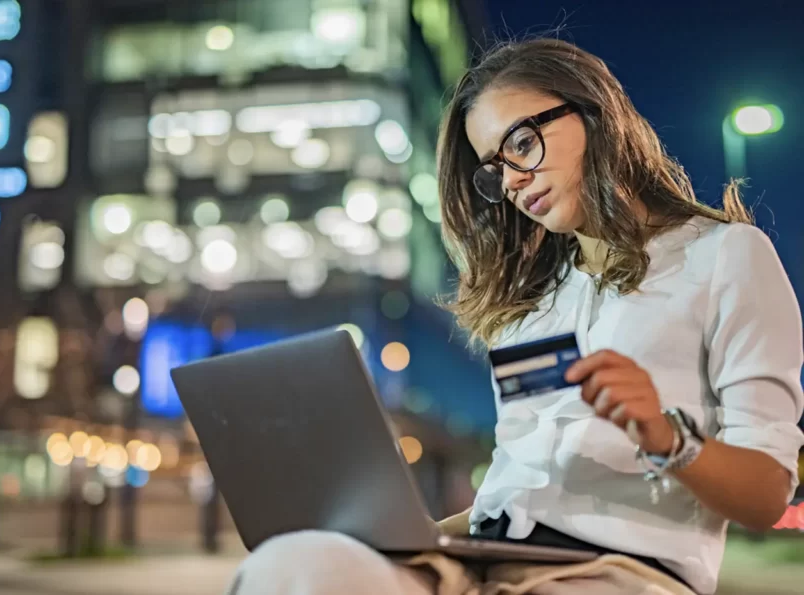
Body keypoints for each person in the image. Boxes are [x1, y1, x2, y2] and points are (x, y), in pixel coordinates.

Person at [227, 38, 804, 595]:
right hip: (492, 557)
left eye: (522, 144)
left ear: (595, 113)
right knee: (293, 566)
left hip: (626, 573)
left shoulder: (726, 256)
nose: (511, 181)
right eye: (494, 169)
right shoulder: (532, 302)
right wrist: (397, 537)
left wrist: (663, 432)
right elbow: (514, 490)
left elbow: (767, 493)